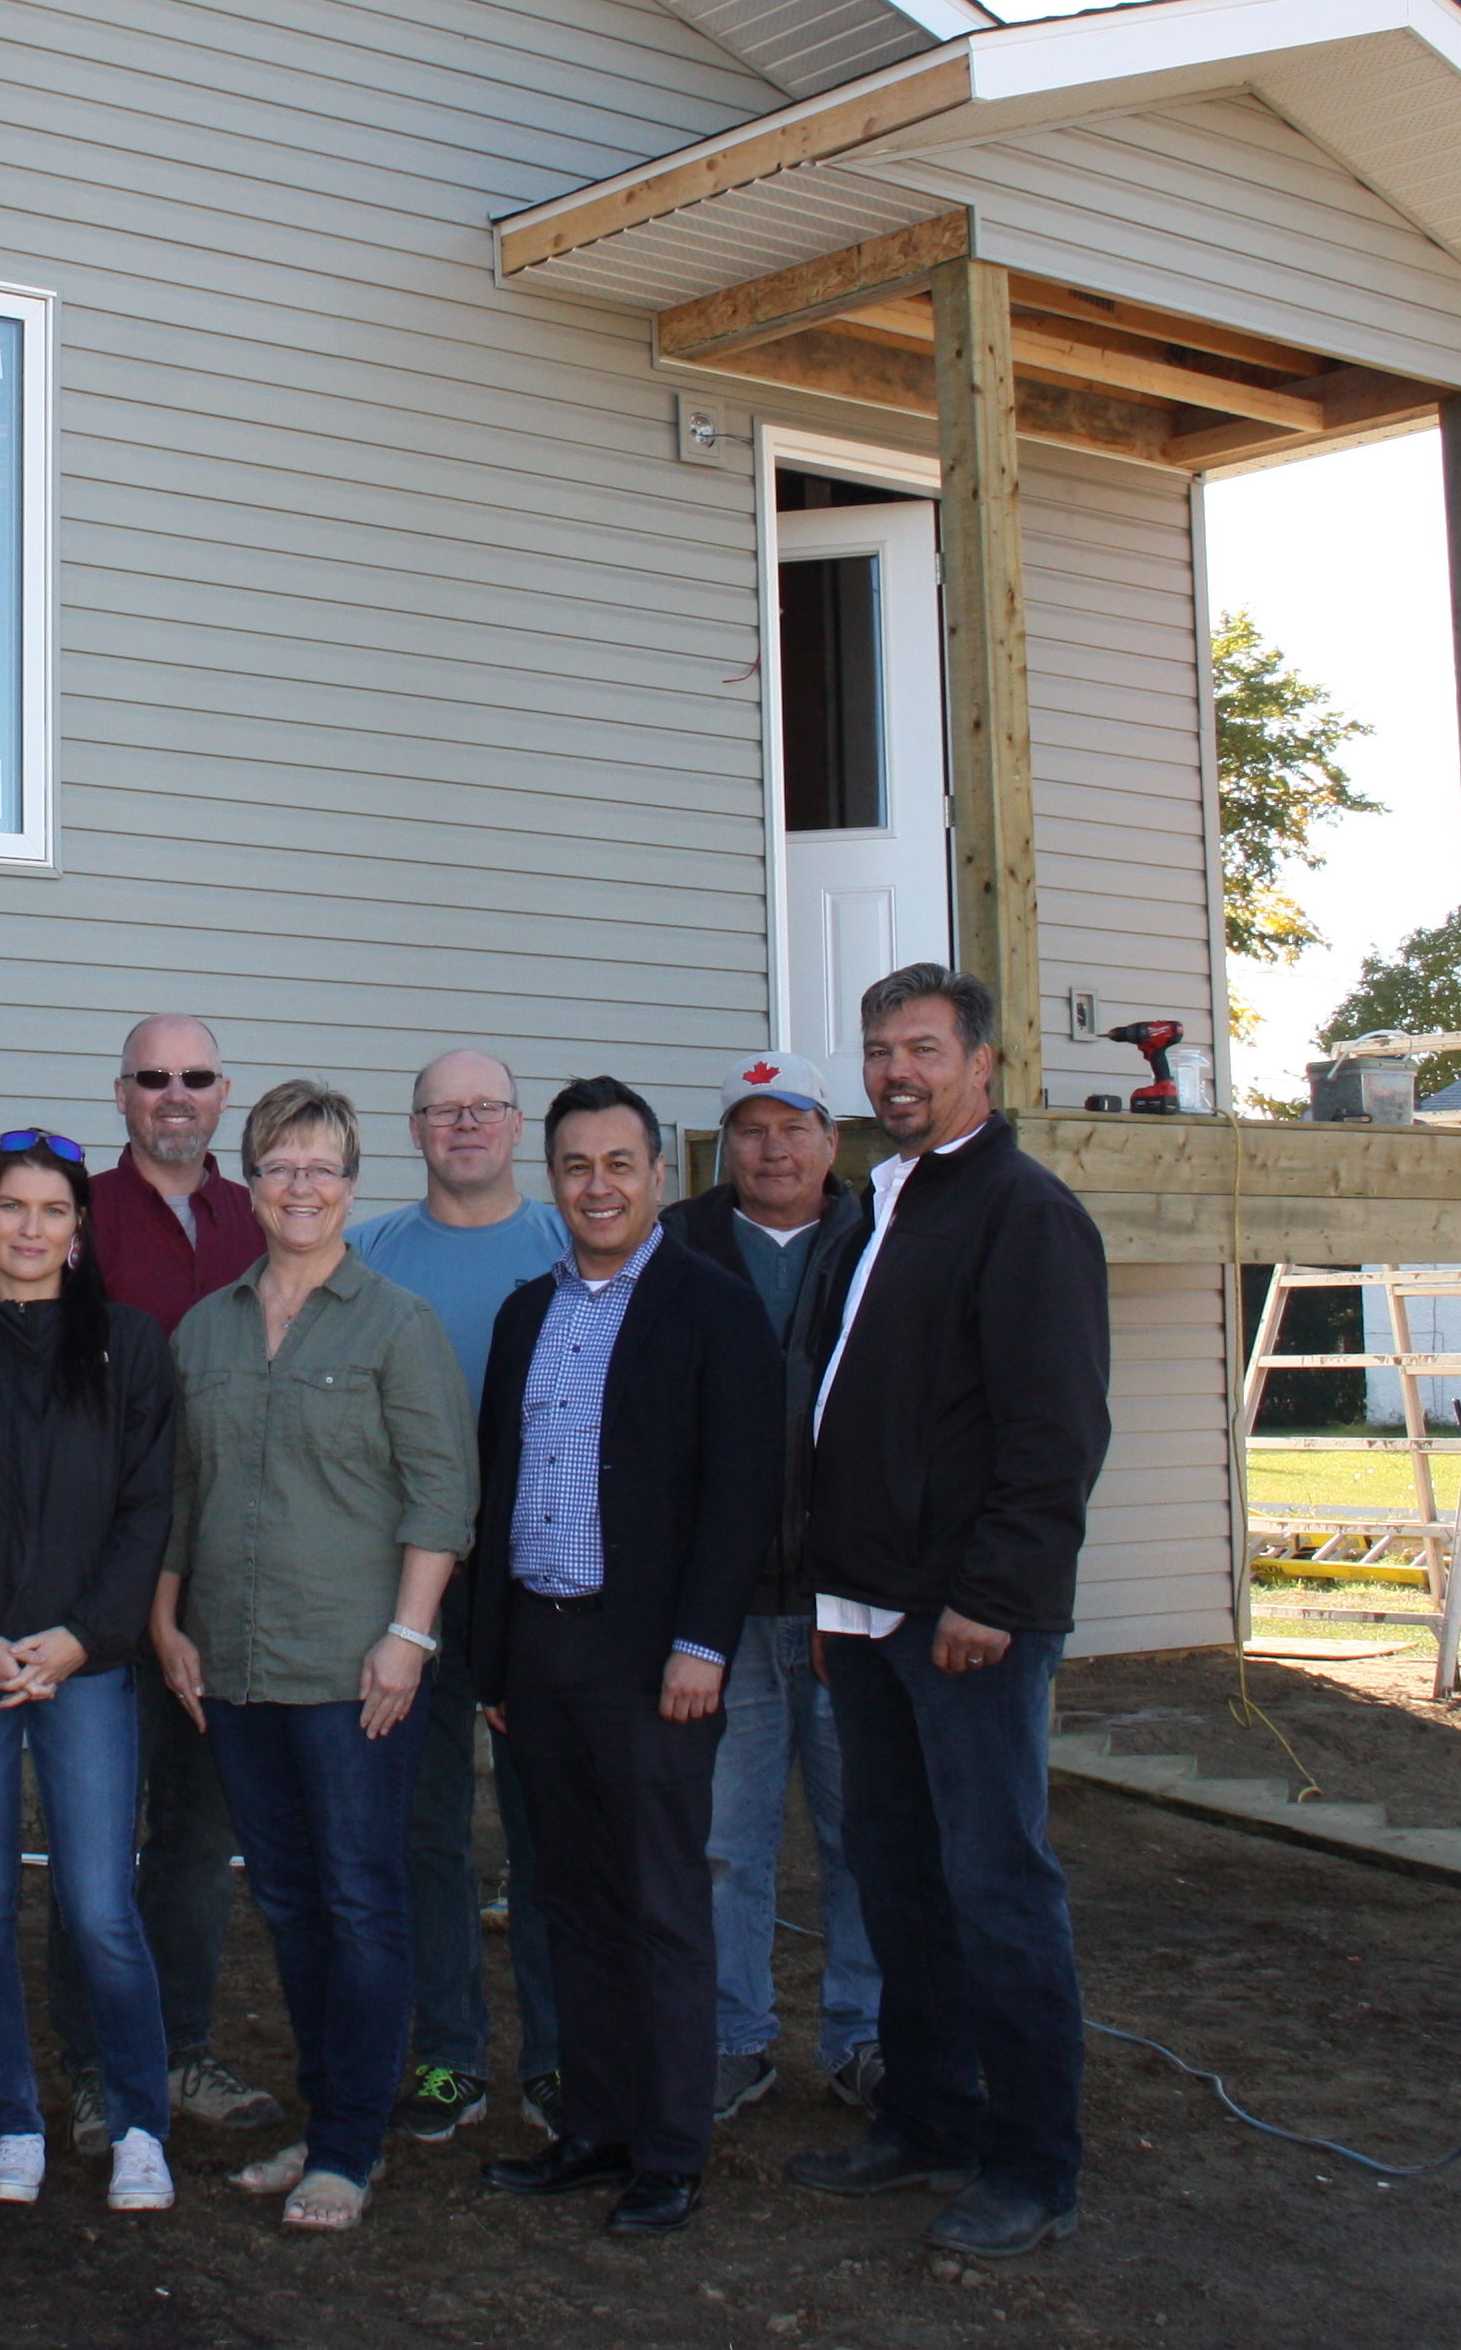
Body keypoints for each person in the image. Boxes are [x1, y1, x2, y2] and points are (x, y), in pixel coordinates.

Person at [783, 963, 1111, 2265]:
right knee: (899, 1879)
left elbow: (1055, 1432)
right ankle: (927, 2117)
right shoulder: (875, 1205)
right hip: (864, 1612)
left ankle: (1034, 2163)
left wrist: (993, 1598)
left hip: (963, 1620)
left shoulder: (1024, 1215)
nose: (896, 1072)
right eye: (878, 1052)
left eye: (922, 1048)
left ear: (983, 1063)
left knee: (997, 1884)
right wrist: (828, 1595)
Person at [159, 1079, 476, 2230]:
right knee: (289, 1905)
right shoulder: (206, 1328)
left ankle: (351, 2145)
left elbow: (444, 1494)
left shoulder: (398, 1324)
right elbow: (183, 1494)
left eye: (324, 1167)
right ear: (250, 1185)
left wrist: (408, 1637)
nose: (302, 1186)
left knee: (361, 1898)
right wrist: (166, 1621)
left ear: (353, 1184)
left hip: (356, 1673)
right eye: (281, 1166)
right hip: (236, 1668)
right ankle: (326, 2116)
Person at [469, 1078, 778, 2238]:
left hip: (652, 1655)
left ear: (659, 1176)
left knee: (658, 1898)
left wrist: (702, 1640)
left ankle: (669, 2148)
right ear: (552, 1182)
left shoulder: (711, 1305)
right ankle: (592, 2129)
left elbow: (741, 1491)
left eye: (618, 1163)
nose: (597, 1185)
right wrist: (492, 1665)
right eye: (575, 1166)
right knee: (569, 1896)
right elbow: (498, 1491)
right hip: (540, 1651)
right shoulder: (523, 1314)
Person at [0, 1131, 184, 2212]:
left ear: (77, 1231)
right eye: (10, 1208)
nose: (29, 1227)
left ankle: (140, 2124)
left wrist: (82, 1636)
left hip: (85, 1664)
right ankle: (15, 2121)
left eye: (51, 1210)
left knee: (101, 1905)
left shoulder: (130, 1349)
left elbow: (146, 1509)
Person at [46, 1013, 280, 2152]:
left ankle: (180, 2048)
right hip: (95, 1580)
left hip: (226, 1579)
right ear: (121, 1092)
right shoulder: (74, 1217)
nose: (175, 1096)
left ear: (223, 1093)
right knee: (95, 1842)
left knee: (194, 1837)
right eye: (153, 1078)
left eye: (195, 1078)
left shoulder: (263, 1217)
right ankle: (95, 2069)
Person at [657, 1051, 885, 2122]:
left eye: (792, 1126)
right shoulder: (680, 1248)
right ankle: (732, 2034)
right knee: (722, 1841)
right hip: (729, 1608)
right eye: (750, 1129)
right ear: (724, 1147)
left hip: (854, 1600)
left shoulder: (882, 1238)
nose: (773, 1148)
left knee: (864, 1839)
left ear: (831, 1139)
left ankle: (867, 2035)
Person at [354, 1049, 573, 2144]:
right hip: (411, 1590)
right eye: (445, 1110)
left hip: (539, 1588)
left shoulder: (570, 1248)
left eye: (486, 1106)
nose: (466, 1125)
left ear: (518, 1121)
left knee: (546, 1834)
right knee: (425, 1830)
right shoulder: (369, 1252)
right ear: (415, 1129)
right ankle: (447, 2057)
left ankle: (556, 2058)